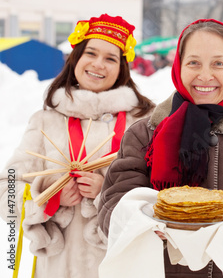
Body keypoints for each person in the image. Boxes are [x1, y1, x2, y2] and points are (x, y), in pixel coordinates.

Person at [98, 18, 223, 277]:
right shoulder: (143, 134)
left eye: (218, 63)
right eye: (193, 63)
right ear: (178, 67)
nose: (205, 76)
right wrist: (142, 222)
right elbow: (111, 207)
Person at [0, 14, 155, 278]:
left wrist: (107, 192)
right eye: (91, 53)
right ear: (76, 59)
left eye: (110, 58)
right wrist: (48, 198)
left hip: (123, 268)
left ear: (122, 68)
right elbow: (7, 188)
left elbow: (161, 196)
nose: (98, 64)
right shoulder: (45, 122)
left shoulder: (142, 124)